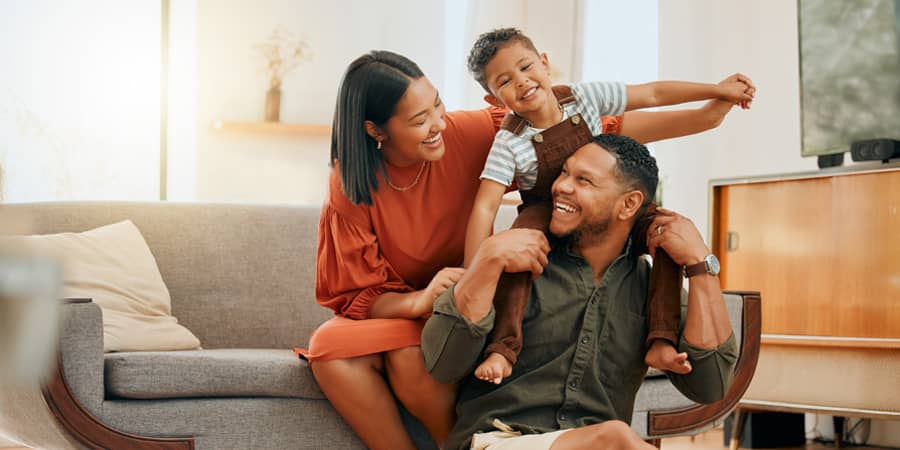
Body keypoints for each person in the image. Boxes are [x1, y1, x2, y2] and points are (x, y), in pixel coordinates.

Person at [299, 50, 747, 450]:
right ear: (375, 130)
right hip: (434, 299)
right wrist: (465, 274)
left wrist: (709, 114)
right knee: (334, 346)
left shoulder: (473, 132)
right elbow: (359, 293)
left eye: (437, 104)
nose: (438, 124)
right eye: (419, 120)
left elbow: (590, 135)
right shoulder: (352, 185)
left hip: (466, 295)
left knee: (410, 352)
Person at [462, 28, 753, 384]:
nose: (522, 82)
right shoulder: (509, 141)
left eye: (526, 67)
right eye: (505, 81)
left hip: (606, 195)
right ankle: (503, 347)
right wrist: (473, 270)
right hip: (546, 207)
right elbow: (484, 207)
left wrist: (716, 90)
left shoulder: (583, 97)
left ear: (545, 62)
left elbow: (653, 93)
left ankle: (660, 340)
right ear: (494, 100)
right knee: (517, 251)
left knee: (667, 232)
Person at [422, 134, 739, 450]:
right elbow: (443, 363)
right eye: (564, 172)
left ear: (628, 204)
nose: (562, 186)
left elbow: (711, 385)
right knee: (613, 438)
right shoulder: (517, 260)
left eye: (584, 180)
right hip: (497, 441)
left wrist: (701, 266)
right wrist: (487, 260)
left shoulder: (652, 291)